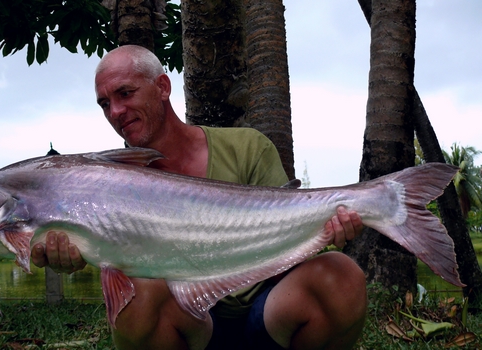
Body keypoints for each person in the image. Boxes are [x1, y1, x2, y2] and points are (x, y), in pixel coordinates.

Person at [31, 45, 367, 350]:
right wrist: (76, 251)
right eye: (105, 103)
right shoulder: (111, 184)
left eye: (125, 93)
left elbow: (285, 258)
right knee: (136, 295)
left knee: (341, 274)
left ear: (163, 87)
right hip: (190, 327)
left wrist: (319, 231)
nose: (116, 111)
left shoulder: (247, 147)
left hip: (269, 312)